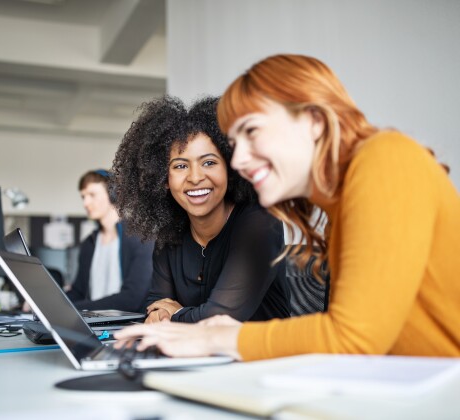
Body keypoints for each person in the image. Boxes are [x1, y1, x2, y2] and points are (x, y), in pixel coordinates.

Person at [114, 54, 460, 359]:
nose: (242, 159)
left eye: (253, 132)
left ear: (314, 121)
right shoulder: (345, 201)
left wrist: (218, 337)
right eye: (235, 143)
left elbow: (354, 337)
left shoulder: (385, 161)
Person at [112, 96, 291, 324]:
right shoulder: (170, 236)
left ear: (231, 168)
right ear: (163, 179)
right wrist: (166, 315)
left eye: (209, 162)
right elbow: (155, 309)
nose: (195, 177)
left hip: (262, 357)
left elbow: (221, 318)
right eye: (180, 166)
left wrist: (176, 314)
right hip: (195, 356)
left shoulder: (259, 224)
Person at [66, 169, 154, 312]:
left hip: (126, 327)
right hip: (92, 324)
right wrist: (48, 306)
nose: (86, 203)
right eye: (83, 197)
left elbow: (132, 298)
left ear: (113, 194)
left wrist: (74, 309)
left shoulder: (141, 238)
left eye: (92, 195)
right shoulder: (89, 243)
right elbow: (78, 292)